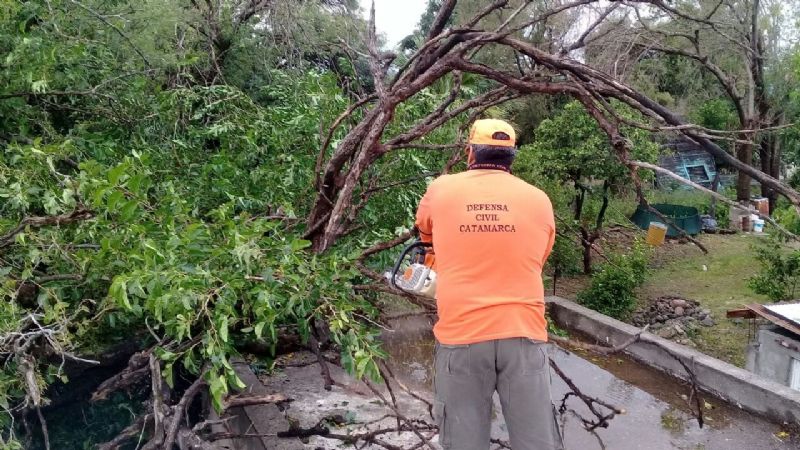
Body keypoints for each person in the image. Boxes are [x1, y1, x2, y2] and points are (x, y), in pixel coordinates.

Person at [414, 118, 561, 450]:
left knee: (463, 442)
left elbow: (424, 230)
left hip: (461, 337)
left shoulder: (441, 188)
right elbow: (538, 258)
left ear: (470, 153)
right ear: (511, 157)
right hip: (524, 333)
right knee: (537, 442)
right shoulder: (539, 199)